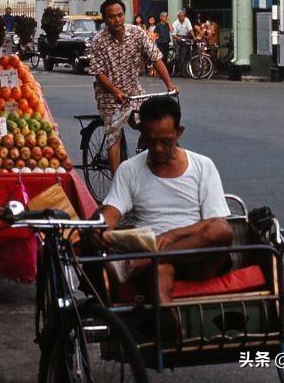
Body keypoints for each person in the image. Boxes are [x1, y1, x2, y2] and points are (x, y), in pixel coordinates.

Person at [94, 96, 233, 304]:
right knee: (160, 271)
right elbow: (112, 210)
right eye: (152, 141)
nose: (158, 148)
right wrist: (100, 226)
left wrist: (174, 234)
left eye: (165, 141)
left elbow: (215, 225)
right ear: (142, 135)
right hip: (154, 260)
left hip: (198, 257)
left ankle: (147, 259)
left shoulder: (203, 166)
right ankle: (170, 328)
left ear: (179, 133)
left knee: (221, 229)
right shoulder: (129, 169)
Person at [88, 0, 177, 174]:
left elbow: (155, 57)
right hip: (109, 93)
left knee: (148, 122)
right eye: (112, 17)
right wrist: (115, 91)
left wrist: (169, 85)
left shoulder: (137, 33)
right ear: (105, 19)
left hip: (133, 89)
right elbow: (99, 73)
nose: (117, 20)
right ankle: (117, 185)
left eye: (120, 15)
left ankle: (144, 161)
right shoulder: (99, 41)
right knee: (114, 136)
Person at [171, 10, 194, 76]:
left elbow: (190, 29)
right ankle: (174, 71)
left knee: (183, 55)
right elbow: (174, 35)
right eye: (181, 16)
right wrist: (179, 39)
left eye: (184, 16)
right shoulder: (175, 23)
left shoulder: (187, 20)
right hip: (177, 37)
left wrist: (194, 37)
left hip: (184, 37)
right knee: (177, 55)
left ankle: (183, 71)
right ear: (178, 17)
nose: (183, 17)